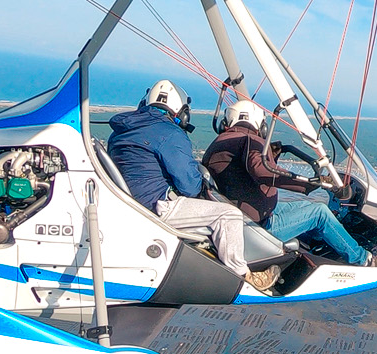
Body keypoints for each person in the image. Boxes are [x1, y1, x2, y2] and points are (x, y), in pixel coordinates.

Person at [108, 80, 278, 290]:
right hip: (156, 206)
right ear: (182, 112)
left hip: (130, 203)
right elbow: (189, 186)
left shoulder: (121, 131)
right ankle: (244, 276)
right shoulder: (169, 133)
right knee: (229, 215)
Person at [203, 98, 377, 267]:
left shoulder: (223, 142)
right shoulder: (249, 140)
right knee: (319, 213)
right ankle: (365, 259)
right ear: (260, 125)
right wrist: (307, 184)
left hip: (248, 216)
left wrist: (271, 157)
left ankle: (327, 242)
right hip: (259, 226)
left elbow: (244, 174)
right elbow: (261, 171)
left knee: (308, 207)